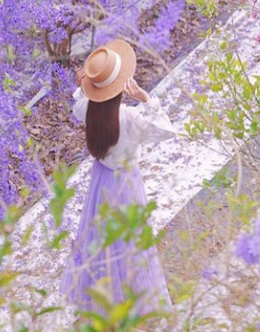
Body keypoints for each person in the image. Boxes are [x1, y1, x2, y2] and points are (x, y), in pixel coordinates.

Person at [59, 38, 178, 321]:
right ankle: (132, 297)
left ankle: (102, 297)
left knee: (99, 237)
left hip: (101, 182)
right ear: (120, 88)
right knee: (131, 241)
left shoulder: (89, 112)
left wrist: (82, 88)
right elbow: (165, 130)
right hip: (126, 183)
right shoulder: (130, 119)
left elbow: (80, 102)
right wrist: (145, 98)